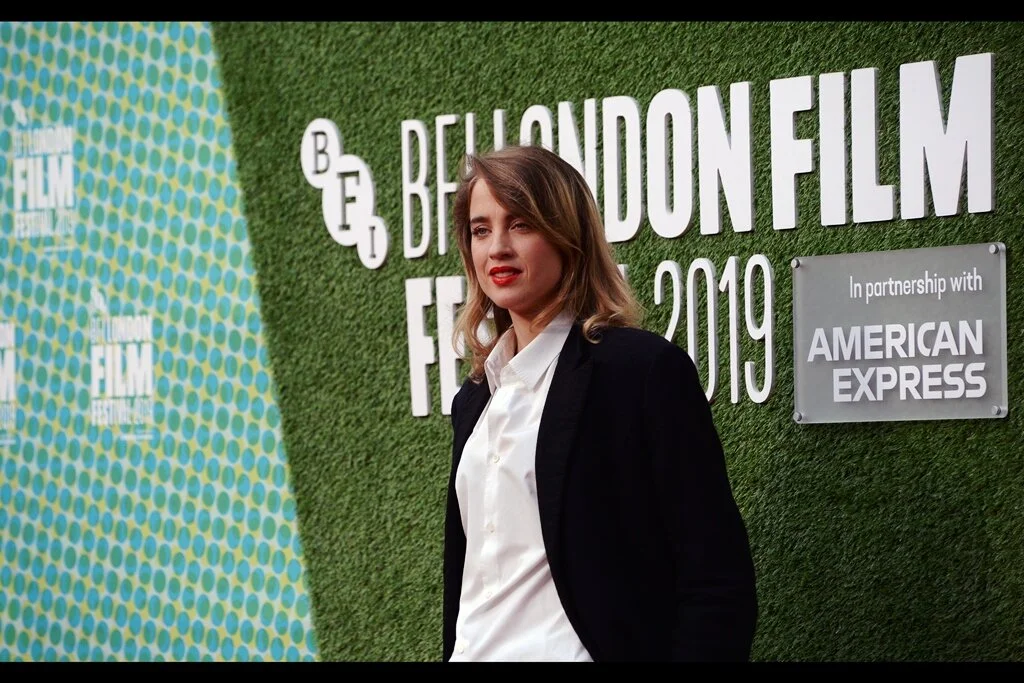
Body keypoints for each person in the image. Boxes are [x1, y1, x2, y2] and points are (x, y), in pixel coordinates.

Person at [443, 143, 757, 662]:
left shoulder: (639, 373)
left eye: (520, 224)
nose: (496, 247)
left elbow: (716, 579)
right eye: (481, 229)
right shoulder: (475, 398)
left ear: (569, 236)